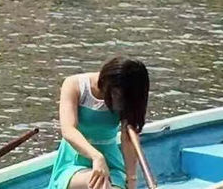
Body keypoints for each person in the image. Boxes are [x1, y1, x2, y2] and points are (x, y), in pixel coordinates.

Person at [48, 57, 149, 189]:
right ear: (109, 84)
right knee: (101, 185)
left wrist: (131, 179)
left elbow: (128, 139)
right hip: (75, 160)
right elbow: (68, 130)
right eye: (117, 94)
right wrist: (97, 157)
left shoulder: (128, 95)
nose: (119, 100)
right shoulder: (74, 85)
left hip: (111, 162)